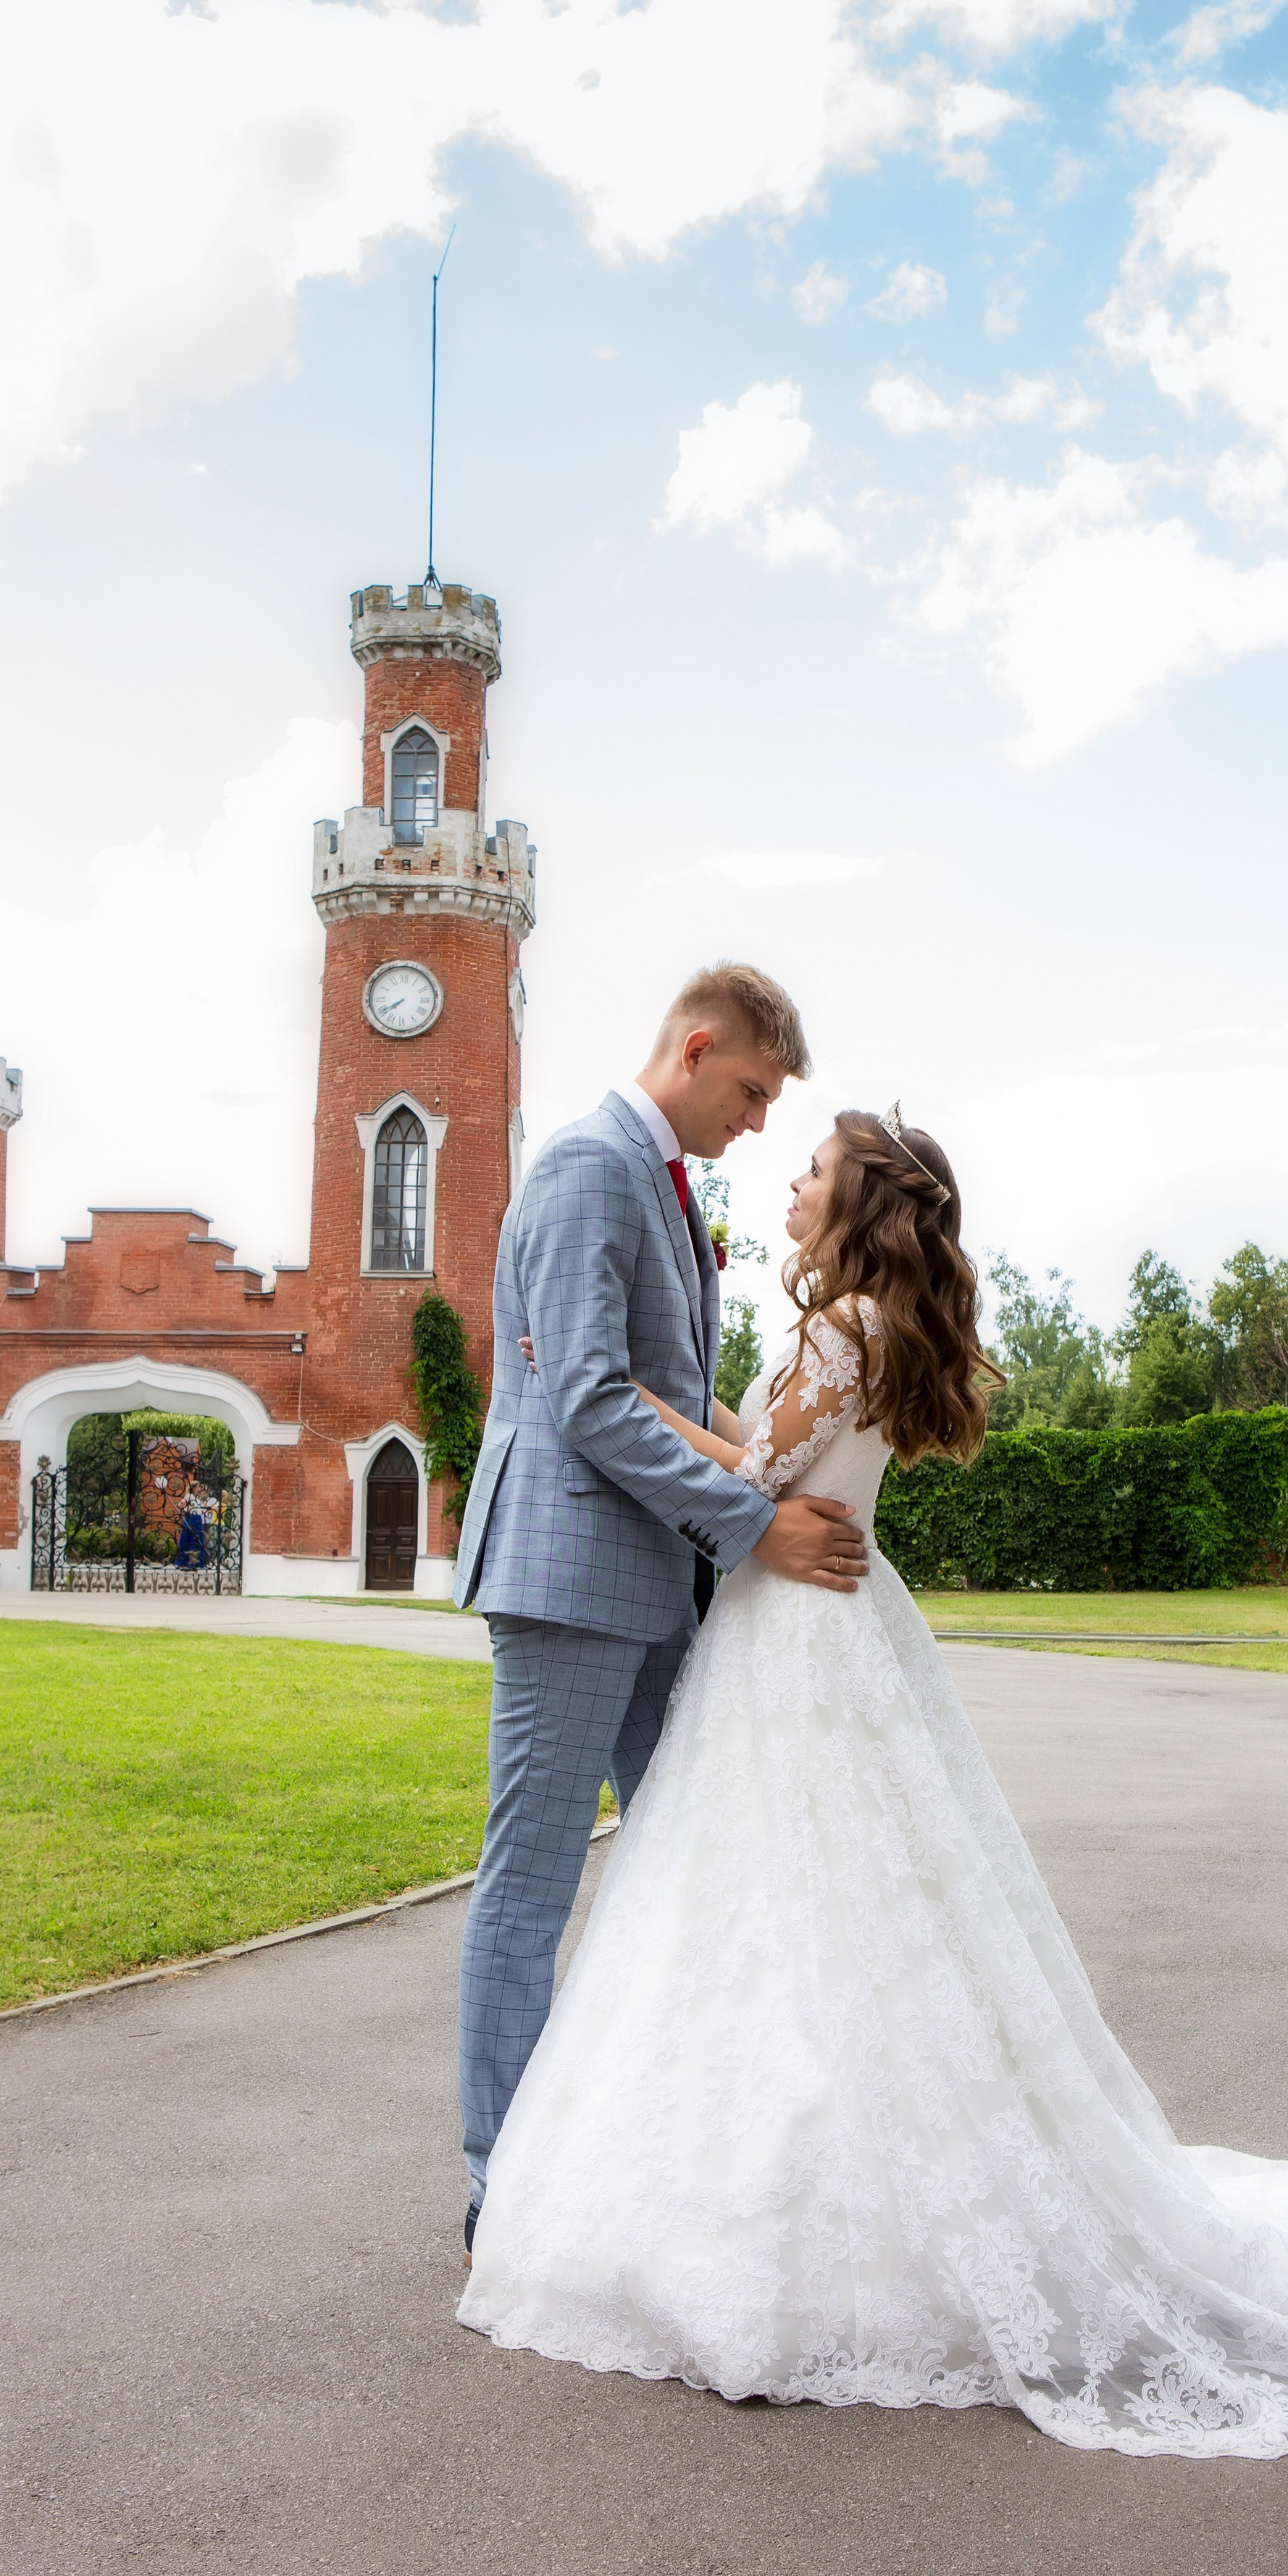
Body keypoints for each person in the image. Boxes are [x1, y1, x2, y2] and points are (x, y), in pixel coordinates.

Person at [458, 1107, 1288, 2457]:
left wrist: (621, 1393)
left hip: (796, 1632)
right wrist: (685, 1408)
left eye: (815, 1169)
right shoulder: (867, 1327)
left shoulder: (842, 1328)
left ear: (860, 1203)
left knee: (786, 1904)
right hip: (824, 1626)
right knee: (829, 1905)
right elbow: (773, 1442)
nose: (792, 1180)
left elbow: (758, 1473)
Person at [452, 965, 870, 2261]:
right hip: (570, 1580)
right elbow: (587, 1397)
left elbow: (671, 1391)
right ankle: (503, 2188)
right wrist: (755, 1525)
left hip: (658, 1585)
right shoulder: (590, 1167)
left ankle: (655, 2158)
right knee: (531, 1889)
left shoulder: (665, 1184)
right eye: (751, 1088)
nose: (759, 1120)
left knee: (688, 1873)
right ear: (694, 1050)